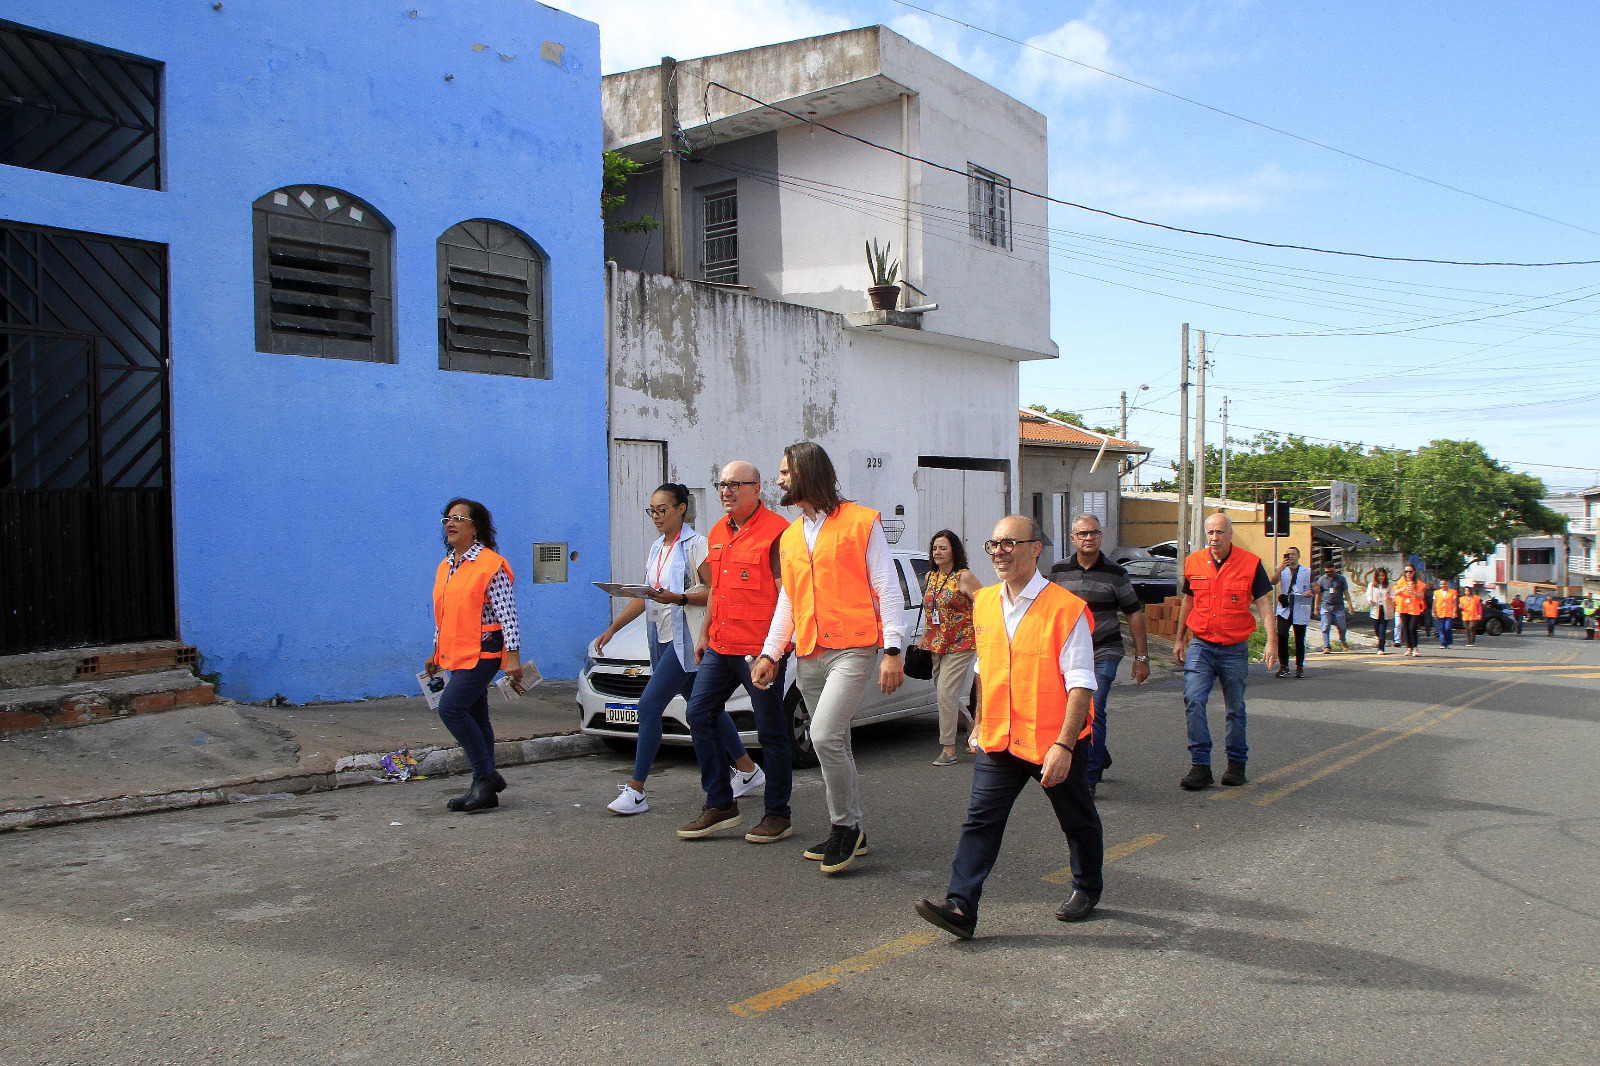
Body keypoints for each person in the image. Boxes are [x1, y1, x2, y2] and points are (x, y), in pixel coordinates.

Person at [913, 515, 1103, 939]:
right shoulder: (983, 602)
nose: (999, 552)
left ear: (1035, 549)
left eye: (1009, 543)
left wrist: (1065, 746)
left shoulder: (1066, 608)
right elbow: (986, 669)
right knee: (980, 821)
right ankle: (961, 907)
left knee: (1076, 819)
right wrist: (979, 724)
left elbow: (1081, 683)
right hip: (1000, 738)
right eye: (994, 544)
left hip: (1052, 741)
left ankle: (1087, 886)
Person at [751, 442, 905, 875]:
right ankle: (853, 828)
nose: (779, 479)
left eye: (785, 472)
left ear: (807, 472)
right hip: (809, 654)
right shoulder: (790, 536)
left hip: (854, 647)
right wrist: (770, 652)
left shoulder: (861, 521)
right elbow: (789, 599)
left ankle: (845, 828)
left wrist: (893, 650)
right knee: (835, 741)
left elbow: (887, 587)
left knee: (821, 736)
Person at [594, 485, 756, 816]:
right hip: (661, 635)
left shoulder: (696, 545)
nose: (656, 516)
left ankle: (637, 790)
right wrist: (613, 629)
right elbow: (646, 595)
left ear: (681, 508)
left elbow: (717, 590)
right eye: (652, 511)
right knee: (706, 707)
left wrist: (679, 598)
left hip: (687, 639)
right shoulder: (657, 547)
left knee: (649, 705)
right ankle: (749, 769)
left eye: (662, 509)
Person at [678, 462, 795, 844]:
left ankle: (778, 814)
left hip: (760, 651)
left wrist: (774, 651)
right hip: (720, 644)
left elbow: (787, 595)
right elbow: (717, 589)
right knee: (699, 713)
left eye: (734, 485)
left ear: (756, 489)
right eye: (721, 484)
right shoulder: (717, 531)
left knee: (770, 731)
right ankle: (720, 803)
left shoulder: (777, 532)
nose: (726, 491)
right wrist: (703, 634)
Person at [426, 498, 522, 814]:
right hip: (457, 652)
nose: (450, 524)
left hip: (484, 651)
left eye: (458, 519)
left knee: (451, 709)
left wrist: (512, 656)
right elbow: (444, 613)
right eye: (447, 519)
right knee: (478, 717)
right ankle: (484, 790)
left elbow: (508, 614)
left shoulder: (490, 564)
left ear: (475, 527)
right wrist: (436, 651)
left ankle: (485, 776)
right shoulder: (447, 565)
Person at [1175, 513, 1277, 790]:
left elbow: (1264, 603)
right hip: (1201, 644)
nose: (1214, 538)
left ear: (1230, 534)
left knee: (1235, 708)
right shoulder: (1194, 562)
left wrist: (1272, 641)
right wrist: (1179, 639)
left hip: (1234, 648)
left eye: (1220, 532)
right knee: (1193, 699)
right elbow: (1188, 601)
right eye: (1210, 532)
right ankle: (1200, 766)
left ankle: (1236, 765)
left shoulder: (1250, 563)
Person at [1050, 513, 1149, 791]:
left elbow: (1134, 613)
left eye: (1094, 533)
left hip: (1104, 650)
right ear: (1073, 538)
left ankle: (1089, 777)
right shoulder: (1058, 571)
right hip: (1070, 654)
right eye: (1083, 533)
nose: (1089, 538)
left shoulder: (1116, 573)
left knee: (1095, 707)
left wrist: (1142, 658)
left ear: (1101, 537)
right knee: (1072, 711)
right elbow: (1048, 613)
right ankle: (1099, 754)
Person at [919, 529, 982, 767]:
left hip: (962, 641)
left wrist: (985, 633)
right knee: (945, 691)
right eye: (935, 548)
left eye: (943, 548)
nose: (938, 552)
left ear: (954, 551)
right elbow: (930, 611)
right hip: (937, 642)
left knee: (945, 692)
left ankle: (948, 748)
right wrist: (924, 637)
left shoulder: (964, 576)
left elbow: (983, 604)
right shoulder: (930, 577)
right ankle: (971, 726)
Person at [1274, 547, 1313, 678]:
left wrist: (1311, 591)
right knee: (1282, 635)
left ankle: (1299, 667)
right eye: (1288, 554)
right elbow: (1272, 581)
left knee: (1299, 639)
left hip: (1300, 607)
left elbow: (1316, 587)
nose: (1290, 556)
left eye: (1293, 554)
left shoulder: (1307, 571)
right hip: (1284, 609)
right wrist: (1280, 568)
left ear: (1298, 556)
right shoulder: (1282, 570)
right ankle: (1284, 665)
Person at [1315, 560, 1351, 654]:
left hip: (1339, 607)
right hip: (1326, 607)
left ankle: (1342, 640)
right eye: (1327, 572)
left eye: (1331, 571)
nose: (1329, 573)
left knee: (1342, 627)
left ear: (1334, 569)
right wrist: (1316, 608)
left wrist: (1350, 605)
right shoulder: (1322, 580)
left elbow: (1346, 592)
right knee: (1325, 627)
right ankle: (1327, 646)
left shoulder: (1341, 579)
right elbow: (1318, 594)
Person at [1394, 565, 1427, 657]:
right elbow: (1395, 593)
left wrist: (1413, 593)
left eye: (1410, 571)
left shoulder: (1419, 583)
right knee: (1406, 628)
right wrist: (1401, 590)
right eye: (1406, 571)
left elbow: (1422, 596)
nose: (1408, 573)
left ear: (1414, 572)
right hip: (1403, 608)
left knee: (1412, 628)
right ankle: (1409, 648)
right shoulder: (1401, 582)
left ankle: (1415, 648)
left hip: (1414, 608)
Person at [1365, 567, 1394, 655]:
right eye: (1379, 576)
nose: (1381, 577)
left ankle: (1381, 648)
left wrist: (1390, 598)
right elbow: (1368, 595)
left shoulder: (1389, 585)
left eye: (1383, 575)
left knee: (1382, 628)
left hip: (1385, 609)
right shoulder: (1372, 585)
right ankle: (1381, 640)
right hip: (1376, 609)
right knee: (1377, 629)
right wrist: (1370, 600)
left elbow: (1394, 596)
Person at [1433, 580, 1458, 650]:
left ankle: (1448, 642)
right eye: (1441, 584)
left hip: (1449, 613)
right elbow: (1434, 602)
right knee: (1441, 628)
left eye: (1444, 584)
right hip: (1440, 612)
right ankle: (1443, 643)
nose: (1443, 585)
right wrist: (1433, 611)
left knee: (1447, 628)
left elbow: (1455, 602)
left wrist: (1454, 611)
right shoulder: (1436, 592)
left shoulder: (1452, 592)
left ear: (1447, 584)